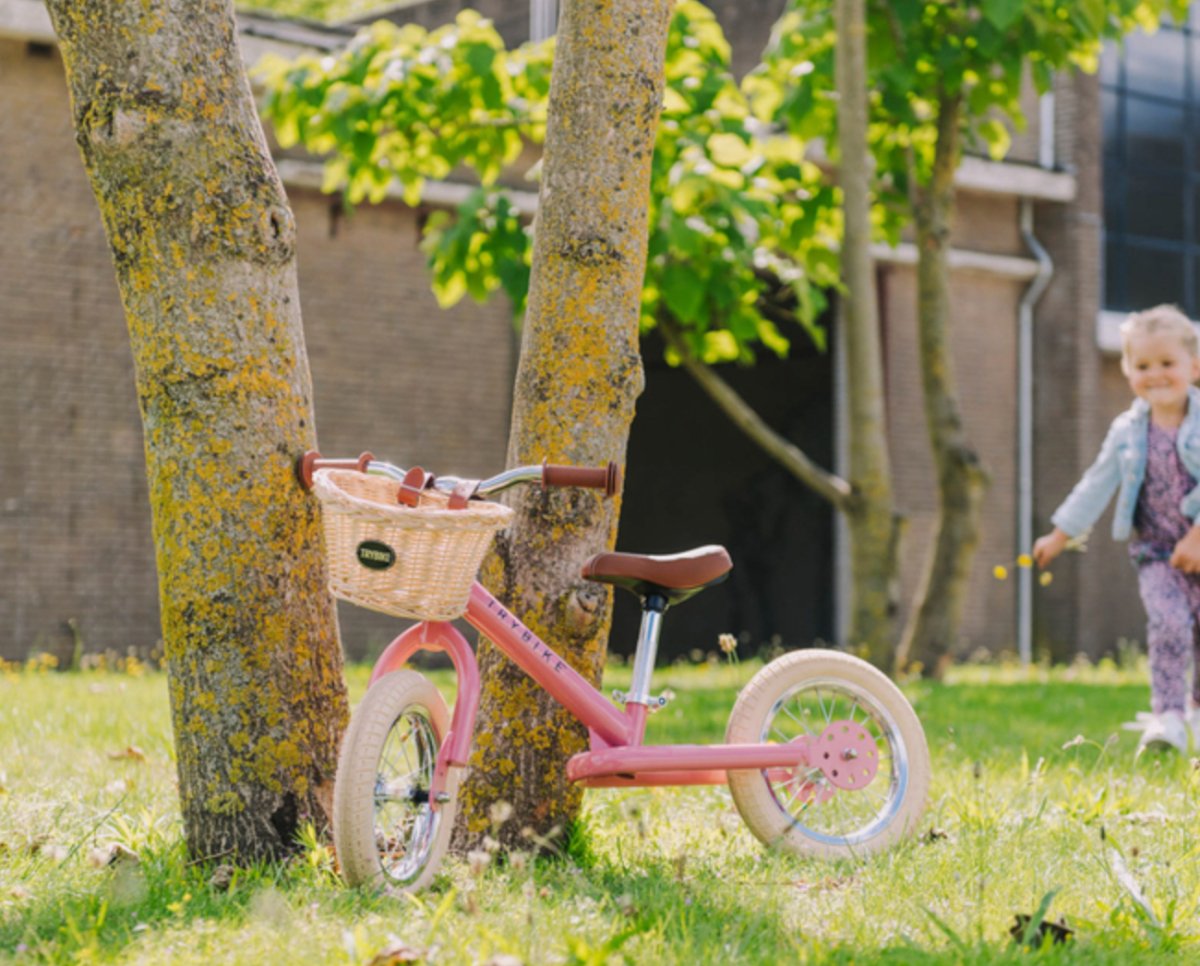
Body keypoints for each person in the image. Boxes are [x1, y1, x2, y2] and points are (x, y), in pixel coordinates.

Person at [1033, 304, 1200, 755]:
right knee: (1169, 623)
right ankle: (1167, 717)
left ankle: (1196, 711)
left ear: (1194, 366)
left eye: (1168, 363)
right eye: (1143, 365)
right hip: (1157, 554)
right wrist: (1060, 534)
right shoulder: (1126, 431)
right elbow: (1096, 482)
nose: (1156, 374)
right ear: (1128, 371)